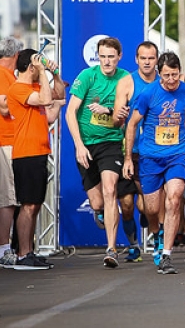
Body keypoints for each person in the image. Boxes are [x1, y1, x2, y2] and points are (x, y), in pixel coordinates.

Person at [122, 52, 185, 275]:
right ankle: (158, 231)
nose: (171, 80)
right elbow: (132, 125)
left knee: (174, 198)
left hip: (178, 154)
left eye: (174, 75)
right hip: (151, 157)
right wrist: (127, 158)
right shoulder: (148, 94)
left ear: (180, 72)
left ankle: (166, 256)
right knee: (151, 208)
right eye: (166, 76)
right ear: (159, 74)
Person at [65, 37, 133, 268]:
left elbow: (128, 116)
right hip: (86, 144)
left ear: (119, 57)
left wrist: (112, 111)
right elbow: (70, 112)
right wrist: (79, 145)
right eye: (103, 56)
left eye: (111, 57)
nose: (106, 61)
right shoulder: (87, 76)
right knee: (97, 202)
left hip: (111, 142)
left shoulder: (125, 79)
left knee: (110, 190)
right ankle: (101, 213)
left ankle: (111, 249)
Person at [7, 49, 66, 269]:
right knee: (28, 205)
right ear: (31, 67)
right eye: (37, 64)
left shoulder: (34, 86)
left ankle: (29, 251)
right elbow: (45, 99)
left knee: (36, 205)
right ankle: (23, 253)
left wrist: (55, 74)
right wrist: (43, 71)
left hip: (39, 150)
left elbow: (57, 97)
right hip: (26, 153)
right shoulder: (18, 88)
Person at [113, 41, 160, 263]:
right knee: (127, 204)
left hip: (153, 151)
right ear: (136, 59)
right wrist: (119, 115)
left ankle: (154, 232)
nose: (147, 62)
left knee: (147, 205)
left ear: (157, 60)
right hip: (128, 151)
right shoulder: (126, 82)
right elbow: (115, 120)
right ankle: (133, 244)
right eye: (143, 58)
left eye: (151, 58)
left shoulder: (164, 82)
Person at [0, 37, 23, 268]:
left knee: (13, 197)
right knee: (8, 198)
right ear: (17, 55)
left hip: (11, 140)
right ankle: (2, 249)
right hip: (2, 140)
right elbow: (3, 105)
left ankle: (10, 247)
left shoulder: (7, 75)